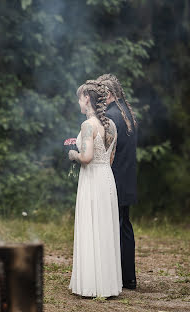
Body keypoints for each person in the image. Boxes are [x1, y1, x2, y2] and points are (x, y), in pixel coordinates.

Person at [68, 81, 122, 297]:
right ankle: (107, 285)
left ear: (87, 98)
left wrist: (73, 155)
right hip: (106, 179)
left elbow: (87, 158)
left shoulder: (88, 125)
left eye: (80, 98)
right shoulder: (111, 124)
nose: (78, 102)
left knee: (91, 225)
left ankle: (90, 286)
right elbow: (110, 158)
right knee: (105, 229)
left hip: (91, 180)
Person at [96, 74, 138, 290]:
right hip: (127, 178)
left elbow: (105, 152)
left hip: (116, 179)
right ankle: (128, 277)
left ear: (110, 94)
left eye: (101, 94)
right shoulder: (126, 113)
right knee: (124, 227)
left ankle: (119, 277)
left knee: (116, 228)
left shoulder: (112, 116)